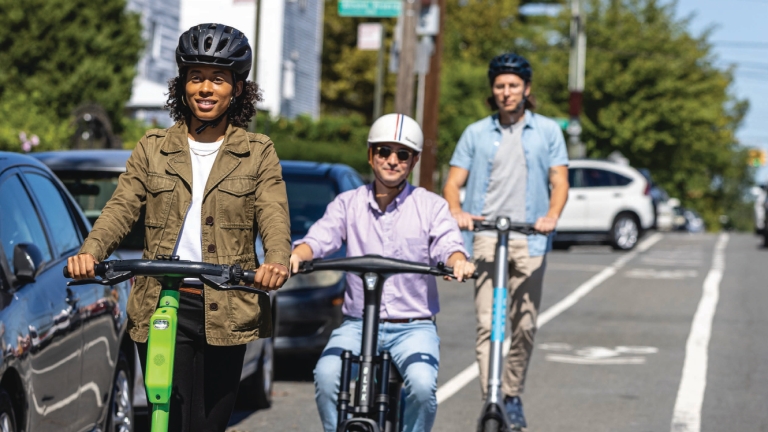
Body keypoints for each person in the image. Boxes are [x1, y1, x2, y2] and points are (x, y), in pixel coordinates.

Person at [66, 23, 290, 432]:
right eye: (196, 77)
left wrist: (276, 261)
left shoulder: (258, 153)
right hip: (161, 301)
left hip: (227, 305)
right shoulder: (153, 147)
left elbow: (273, 214)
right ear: (183, 83)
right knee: (164, 419)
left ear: (237, 88)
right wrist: (90, 252)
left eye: (218, 79)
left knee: (206, 425)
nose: (206, 88)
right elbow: (121, 206)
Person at [289, 113, 475, 432]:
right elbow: (321, 237)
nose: (392, 160)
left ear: (414, 161)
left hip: (413, 325)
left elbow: (448, 243)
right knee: (326, 375)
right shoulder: (347, 203)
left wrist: (458, 260)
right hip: (358, 323)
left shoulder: (431, 206)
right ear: (370, 155)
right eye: (383, 151)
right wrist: (298, 255)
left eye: (402, 154)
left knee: (420, 385)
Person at [443, 52, 570, 430]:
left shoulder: (547, 131)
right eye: (500, 85)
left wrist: (551, 217)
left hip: (530, 240)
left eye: (514, 85)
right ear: (493, 90)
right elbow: (453, 183)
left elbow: (560, 181)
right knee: (488, 323)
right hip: (485, 238)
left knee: (525, 324)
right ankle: (493, 397)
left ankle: (512, 392)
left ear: (526, 89)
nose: (506, 92)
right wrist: (457, 211)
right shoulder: (476, 133)